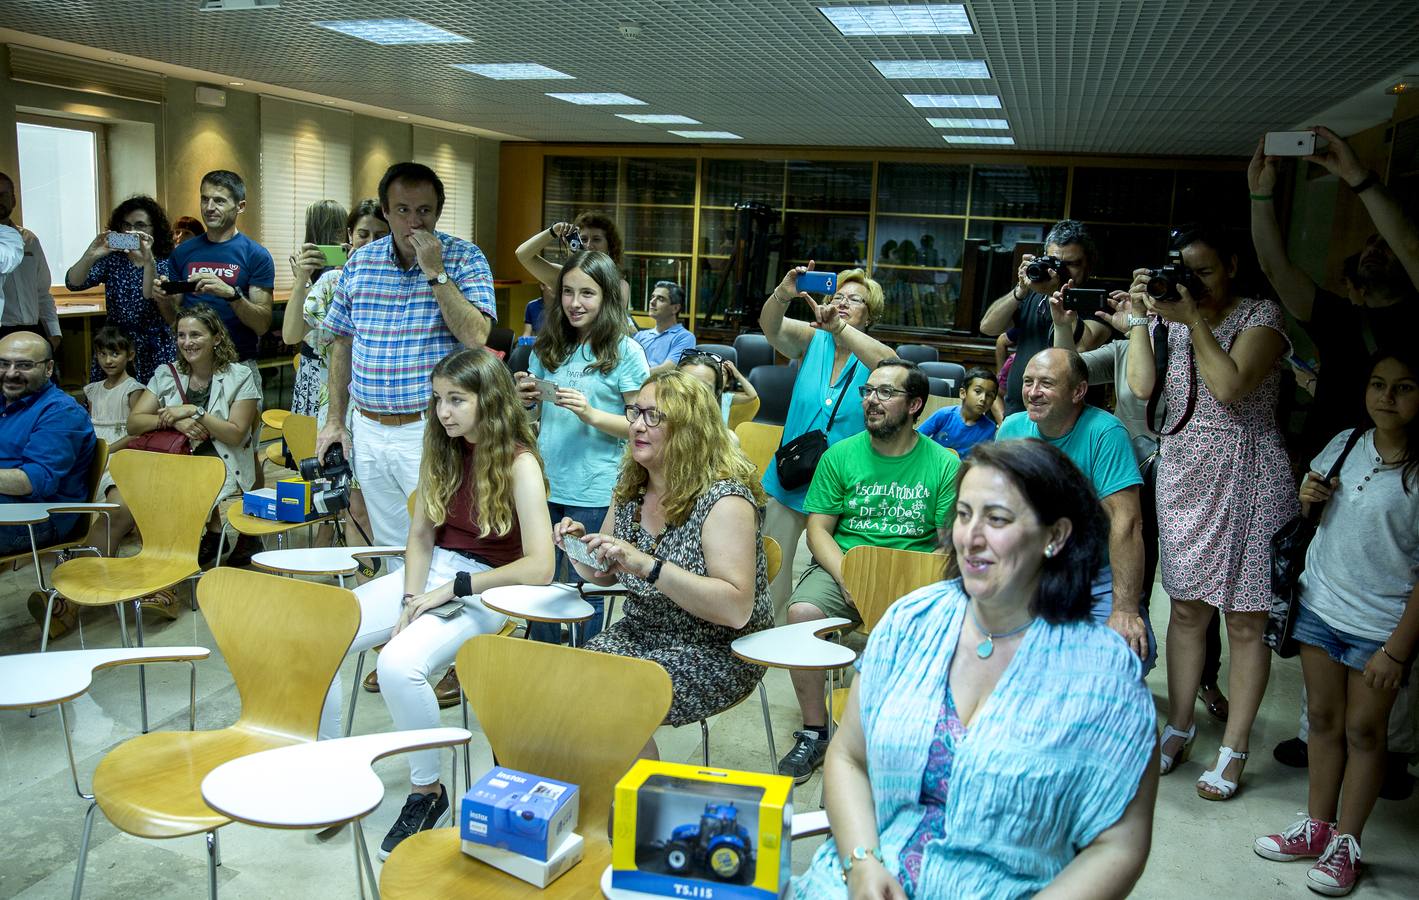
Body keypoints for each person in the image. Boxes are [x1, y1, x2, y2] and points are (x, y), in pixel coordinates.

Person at [795, 439, 1157, 898]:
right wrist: (862, 863)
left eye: (997, 519)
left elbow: (1119, 844)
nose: (971, 537)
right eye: (963, 514)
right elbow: (848, 758)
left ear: (1056, 536)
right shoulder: (910, 622)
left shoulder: (1104, 675)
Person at [317, 347, 554, 858]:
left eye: (456, 400)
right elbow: (422, 536)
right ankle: (331, 771)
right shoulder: (442, 446)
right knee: (320, 634)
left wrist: (451, 591)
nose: (443, 411)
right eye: (438, 399)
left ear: (488, 401)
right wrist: (409, 600)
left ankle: (429, 792)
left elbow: (541, 565)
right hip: (437, 568)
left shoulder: (520, 462)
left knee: (400, 665)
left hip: (495, 584)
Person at [1127, 223, 1298, 801]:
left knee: (1247, 620)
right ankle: (1179, 724)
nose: (1193, 282)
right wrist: (1139, 320)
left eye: (1204, 270)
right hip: (1184, 475)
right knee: (1185, 610)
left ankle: (1235, 746)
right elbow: (1143, 386)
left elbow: (1228, 386)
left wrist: (1192, 320)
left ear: (1230, 265)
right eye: (1184, 270)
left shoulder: (1263, 318)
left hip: (1250, 474)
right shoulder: (1164, 317)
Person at [1253, 350, 1419, 896]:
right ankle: (1315, 826)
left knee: (1365, 733)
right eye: (1377, 384)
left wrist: (1396, 650)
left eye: (1402, 388)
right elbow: (1313, 517)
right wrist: (1307, 499)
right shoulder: (1346, 442)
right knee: (1322, 721)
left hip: (1380, 625)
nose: (1386, 398)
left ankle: (1347, 843)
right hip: (1321, 605)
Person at [559, 370, 772, 758]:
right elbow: (604, 574)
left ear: (690, 429)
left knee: (612, 704)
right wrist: (576, 547)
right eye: (635, 412)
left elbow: (735, 608)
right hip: (643, 632)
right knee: (565, 685)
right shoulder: (632, 486)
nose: (637, 425)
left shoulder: (724, 500)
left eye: (653, 416)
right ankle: (600, 799)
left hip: (717, 648)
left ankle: (635, 809)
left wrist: (648, 566)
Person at [1050, 290, 1230, 722]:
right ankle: (1133, 663)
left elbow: (1150, 387)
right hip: (1131, 467)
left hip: (1190, 470)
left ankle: (1206, 677)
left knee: (1192, 588)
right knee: (1133, 572)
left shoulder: (1194, 341)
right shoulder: (1122, 347)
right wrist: (1063, 325)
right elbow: (1062, 371)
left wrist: (1139, 326)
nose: (1143, 303)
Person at [777, 360, 960, 783]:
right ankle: (815, 730)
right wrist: (849, 575)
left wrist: (911, 583)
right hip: (846, 565)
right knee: (801, 615)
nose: (871, 400)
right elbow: (818, 529)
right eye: (867, 391)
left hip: (912, 570)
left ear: (915, 404)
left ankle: (900, 733)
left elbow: (946, 540)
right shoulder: (840, 454)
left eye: (885, 393)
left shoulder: (943, 463)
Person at [316, 162, 496, 551]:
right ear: (384, 210)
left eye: (424, 211)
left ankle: (433, 609)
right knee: (391, 544)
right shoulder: (360, 263)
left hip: (430, 428)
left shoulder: (465, 258)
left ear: (438, 212)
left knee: (441, 539)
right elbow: (341, 343)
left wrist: (436, 273)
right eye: (402, 210)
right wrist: (335, 420)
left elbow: (476, 336)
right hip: (368, 426)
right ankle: (403, 611)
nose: (414, 222)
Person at [1249, 126, 1419, 461]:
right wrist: (1260, 196)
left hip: (1402, 470)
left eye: (1386, 246)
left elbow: (1412, 248)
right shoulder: (1339, 317)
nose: (1374, 249)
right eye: (1370, 244)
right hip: (1328, 466)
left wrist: (1359, 179)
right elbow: (1275, 269)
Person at [516, 250, 650, 643]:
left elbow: (640, 425)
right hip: (545, 483)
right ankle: (539, 659)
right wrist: (525, 397)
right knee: (539, 583)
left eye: (587, 293)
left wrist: (591, 413)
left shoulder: (626, 352)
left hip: (594, 491)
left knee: (583, 589)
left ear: (607, 297)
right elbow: (529, 417)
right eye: (568, 292)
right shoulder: (549, 346)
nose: (575, 303)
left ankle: (583, 660)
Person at [997, 348, 1151, 671]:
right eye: (1028, 382)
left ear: (1078, 391)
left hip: (1092, 577)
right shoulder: (1011, 429)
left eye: (1046, 383)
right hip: (1030, 573)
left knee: (1123, 656)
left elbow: (1127, 522)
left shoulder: (1105, 433)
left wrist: (1124, 609)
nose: (1033, 392)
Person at [758, 264, 895, 620]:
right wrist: (783, 294)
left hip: (845, 486)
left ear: (870, 314)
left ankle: (823, 643)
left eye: (856, 300)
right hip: (792, 476)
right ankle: (762, 640)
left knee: (833, 578)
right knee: (771, 568)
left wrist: (843, 329)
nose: (845, 302)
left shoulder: (873, 355)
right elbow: (769, 326)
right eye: (838, 297)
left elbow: (891, 363)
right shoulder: (812, 338)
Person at [124, 305, 261, 588]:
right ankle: (172, 556)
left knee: (174, 497)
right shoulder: (166, 373)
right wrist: (174, 423)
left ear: (217, 338)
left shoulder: (240, 376)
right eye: (181, 335)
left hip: (222, 460)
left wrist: (193, 412)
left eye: (196, 335)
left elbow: (235, 435)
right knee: (144, 495)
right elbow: (134, 423)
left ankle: (175, 561)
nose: (187, 342)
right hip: (178, 456)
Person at [981, 220, 1112, 416]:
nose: (1061, 271)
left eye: (1072, 264)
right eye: (1054, 262)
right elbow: (988, 327)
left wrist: (1057, 294)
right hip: (1019, 412)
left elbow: (1084, 345)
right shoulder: (1035, 292)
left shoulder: (1100, 298)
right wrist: (1020, 290)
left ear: (1089, 264)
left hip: (1068, 420)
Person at [159, 170, 275, 390]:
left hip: (238, 366)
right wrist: (163, 300)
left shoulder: (256, 255)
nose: (209, 207)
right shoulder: (183, 252)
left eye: (219, 201)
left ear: (240, 206)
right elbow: (174, 320)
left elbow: (261, 325)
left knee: (239, 426)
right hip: (191, 366)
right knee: (187, 425)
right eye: (205, 199)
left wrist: (230, 294)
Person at [284, 200, 392, 422]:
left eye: (381, 236)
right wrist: (302, 279)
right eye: (363, 234)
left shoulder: (401, 283)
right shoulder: (333, 280)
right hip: (324, 389)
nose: (371, 243)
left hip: (377, 394)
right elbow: (291, 335)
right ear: (350, 234)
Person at [65, 195, 177, 385]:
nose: (132, 232)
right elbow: (74, 283)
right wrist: (91, 255)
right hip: (115, 345)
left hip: (154, 344)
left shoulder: (167, 261)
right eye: (126, 225)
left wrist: (148, 258)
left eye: (140, 225)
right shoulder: (113, 259)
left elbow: (149, 295)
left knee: (153, 405)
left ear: (154, 229)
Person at [1, 331, 95, 555]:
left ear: (49, 368)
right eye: (3, 364)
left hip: (37, 519)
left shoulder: (61, 412)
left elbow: (33, 482)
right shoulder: (5, 400)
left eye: (24, 365)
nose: (11, 374)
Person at [514, 211, 631, 306]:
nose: (589, 245)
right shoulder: (564, 276)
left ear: (610, 246)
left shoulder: (619, 285)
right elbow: (522, 255)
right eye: (584, 239)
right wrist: (554, 231)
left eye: (596, 239)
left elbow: (610, 322)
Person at [0, 173, 61, 347]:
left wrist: (54, 332)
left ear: (13, 200)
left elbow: (42, 292)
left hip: (32, 331)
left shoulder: (29, 240)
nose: (0, 200)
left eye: (4, 195)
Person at [916, 365, 999, 458]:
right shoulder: (945, 415)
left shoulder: (990, 430)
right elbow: (916, 438)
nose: (983, 399)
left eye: (989, 395)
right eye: (978, 391)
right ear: (963, 393)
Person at [675, 348, 759, 435]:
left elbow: (752, 395)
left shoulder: (726, 397)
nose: (696, 391)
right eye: (687, 384)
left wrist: (737, 374)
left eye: (723, 373)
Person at [633, 282, 695, 372]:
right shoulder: (640, 335)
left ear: (675, 308)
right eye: (652, 297)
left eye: (660, 299)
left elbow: (667, 370)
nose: (652, 302)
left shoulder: (684, 337)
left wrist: (630, 375)